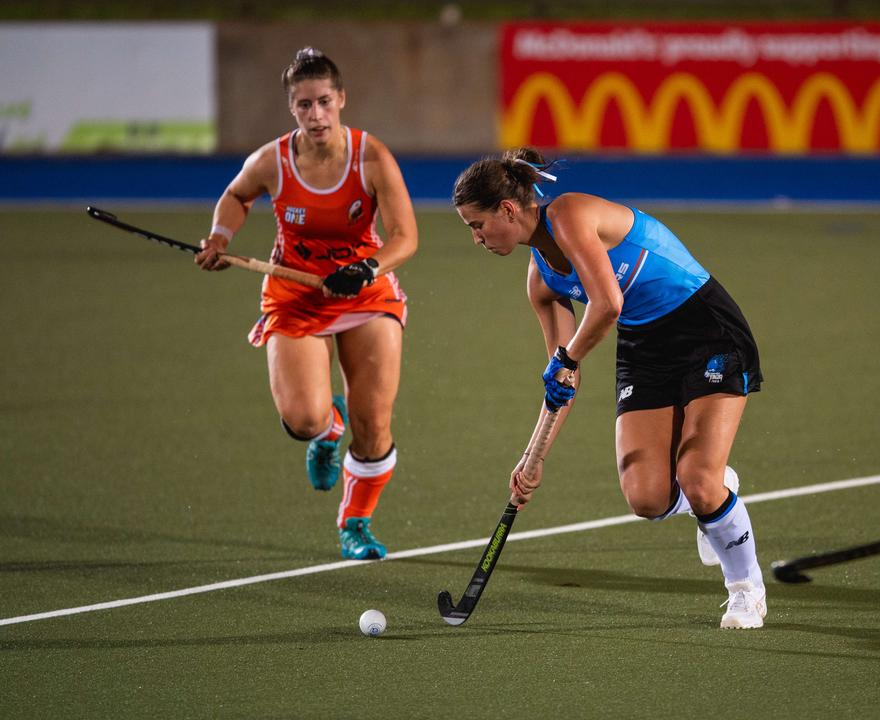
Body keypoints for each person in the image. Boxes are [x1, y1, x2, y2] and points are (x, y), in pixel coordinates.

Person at [452, 147, 768, 629]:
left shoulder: (570, 213)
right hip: (646, 344)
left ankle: (745, 590)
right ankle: (717, 492)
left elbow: (608, 304)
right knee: (647, 498)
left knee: (697, 480)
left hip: (705, 328)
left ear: (509, 210)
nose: (475, 238)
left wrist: (568, 358)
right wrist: (532, 457)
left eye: (477, 224)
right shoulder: (541, 279)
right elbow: (562, 377)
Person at [194, 48, 418, 560]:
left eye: (323, 102)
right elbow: (236, 195)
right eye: (303, 105)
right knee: (303, 420)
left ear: (341, 100)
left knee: (375, 424)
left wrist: (367, 268)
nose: (315, 114)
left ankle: (355, 524)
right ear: (291, 108)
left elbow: (405, 238)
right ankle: (327, 428)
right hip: (295, 296)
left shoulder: (372, 158)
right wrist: (220, 236)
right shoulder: (271, 160)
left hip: (365, 291)